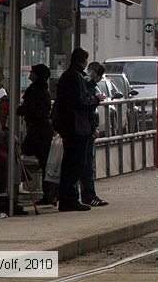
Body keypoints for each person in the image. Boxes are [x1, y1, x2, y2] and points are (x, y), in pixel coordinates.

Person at [53, 47, 99, 212]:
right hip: (76, 126)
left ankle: (68, 198)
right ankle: (69, 199)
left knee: (71, 162)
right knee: (74, 164)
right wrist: (96, 99)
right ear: (83, 61)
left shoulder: (67, 75)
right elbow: (82, 100)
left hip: (68, 125)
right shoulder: (76, 77)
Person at [17, 64, 57, 206]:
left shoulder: (36, 91)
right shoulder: (40, 90)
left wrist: (20, 109)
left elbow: (34, 110)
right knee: (44, 162)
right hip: (41, 130)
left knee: (42, 160)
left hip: (39, 131)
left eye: (32, 72)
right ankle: (49, 193)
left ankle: (50, 193)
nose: (30, 74)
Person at [0, 97, 27, 215]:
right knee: (4, 161)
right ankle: (0, 197)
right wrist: (7, 136)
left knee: (10, 161)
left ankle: (8, 195)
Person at [80, 63, 108, 207]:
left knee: (84, 164)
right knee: (87, 165)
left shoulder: (85, 83)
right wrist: (93, 128)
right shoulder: (88, 85)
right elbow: (88, 109)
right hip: (87, 131)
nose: (99, 79)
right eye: (100, 76)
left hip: (85, 129)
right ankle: (89, 195)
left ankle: (87, 195)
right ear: (96, 74)